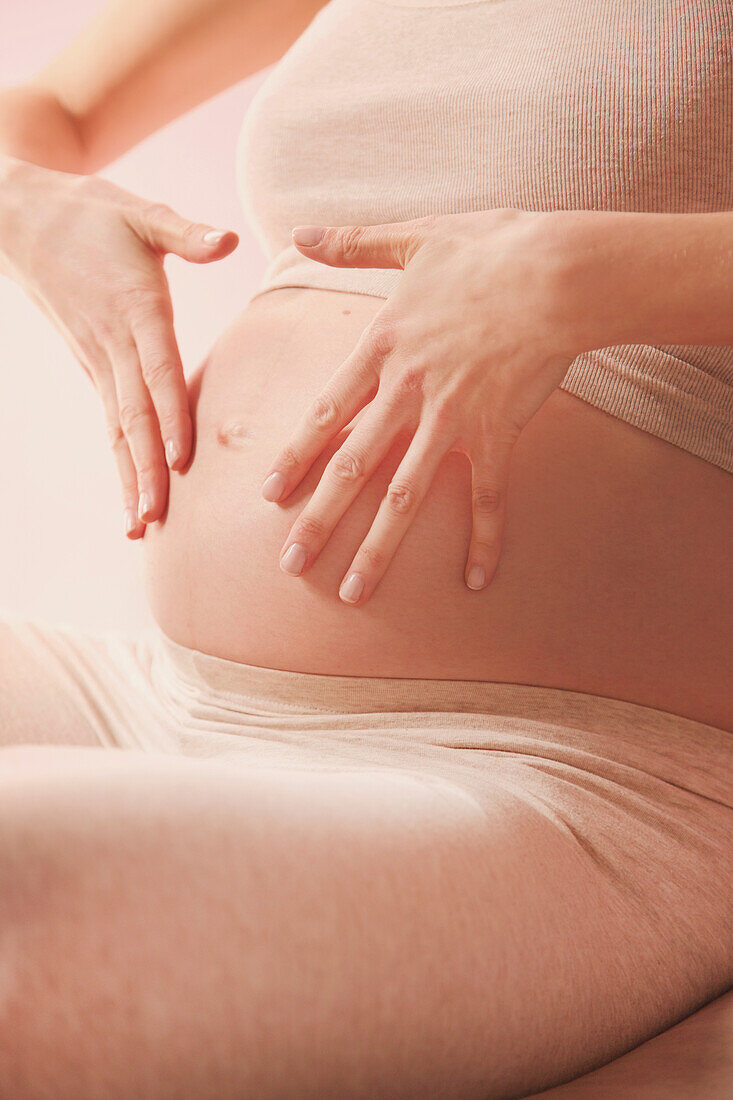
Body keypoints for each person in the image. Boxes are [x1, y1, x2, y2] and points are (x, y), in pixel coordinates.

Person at [1, 0, 730, 1096]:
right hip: (156, 691)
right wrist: (26, 199)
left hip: (554, 775)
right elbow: (44, 106)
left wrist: (587, 274)